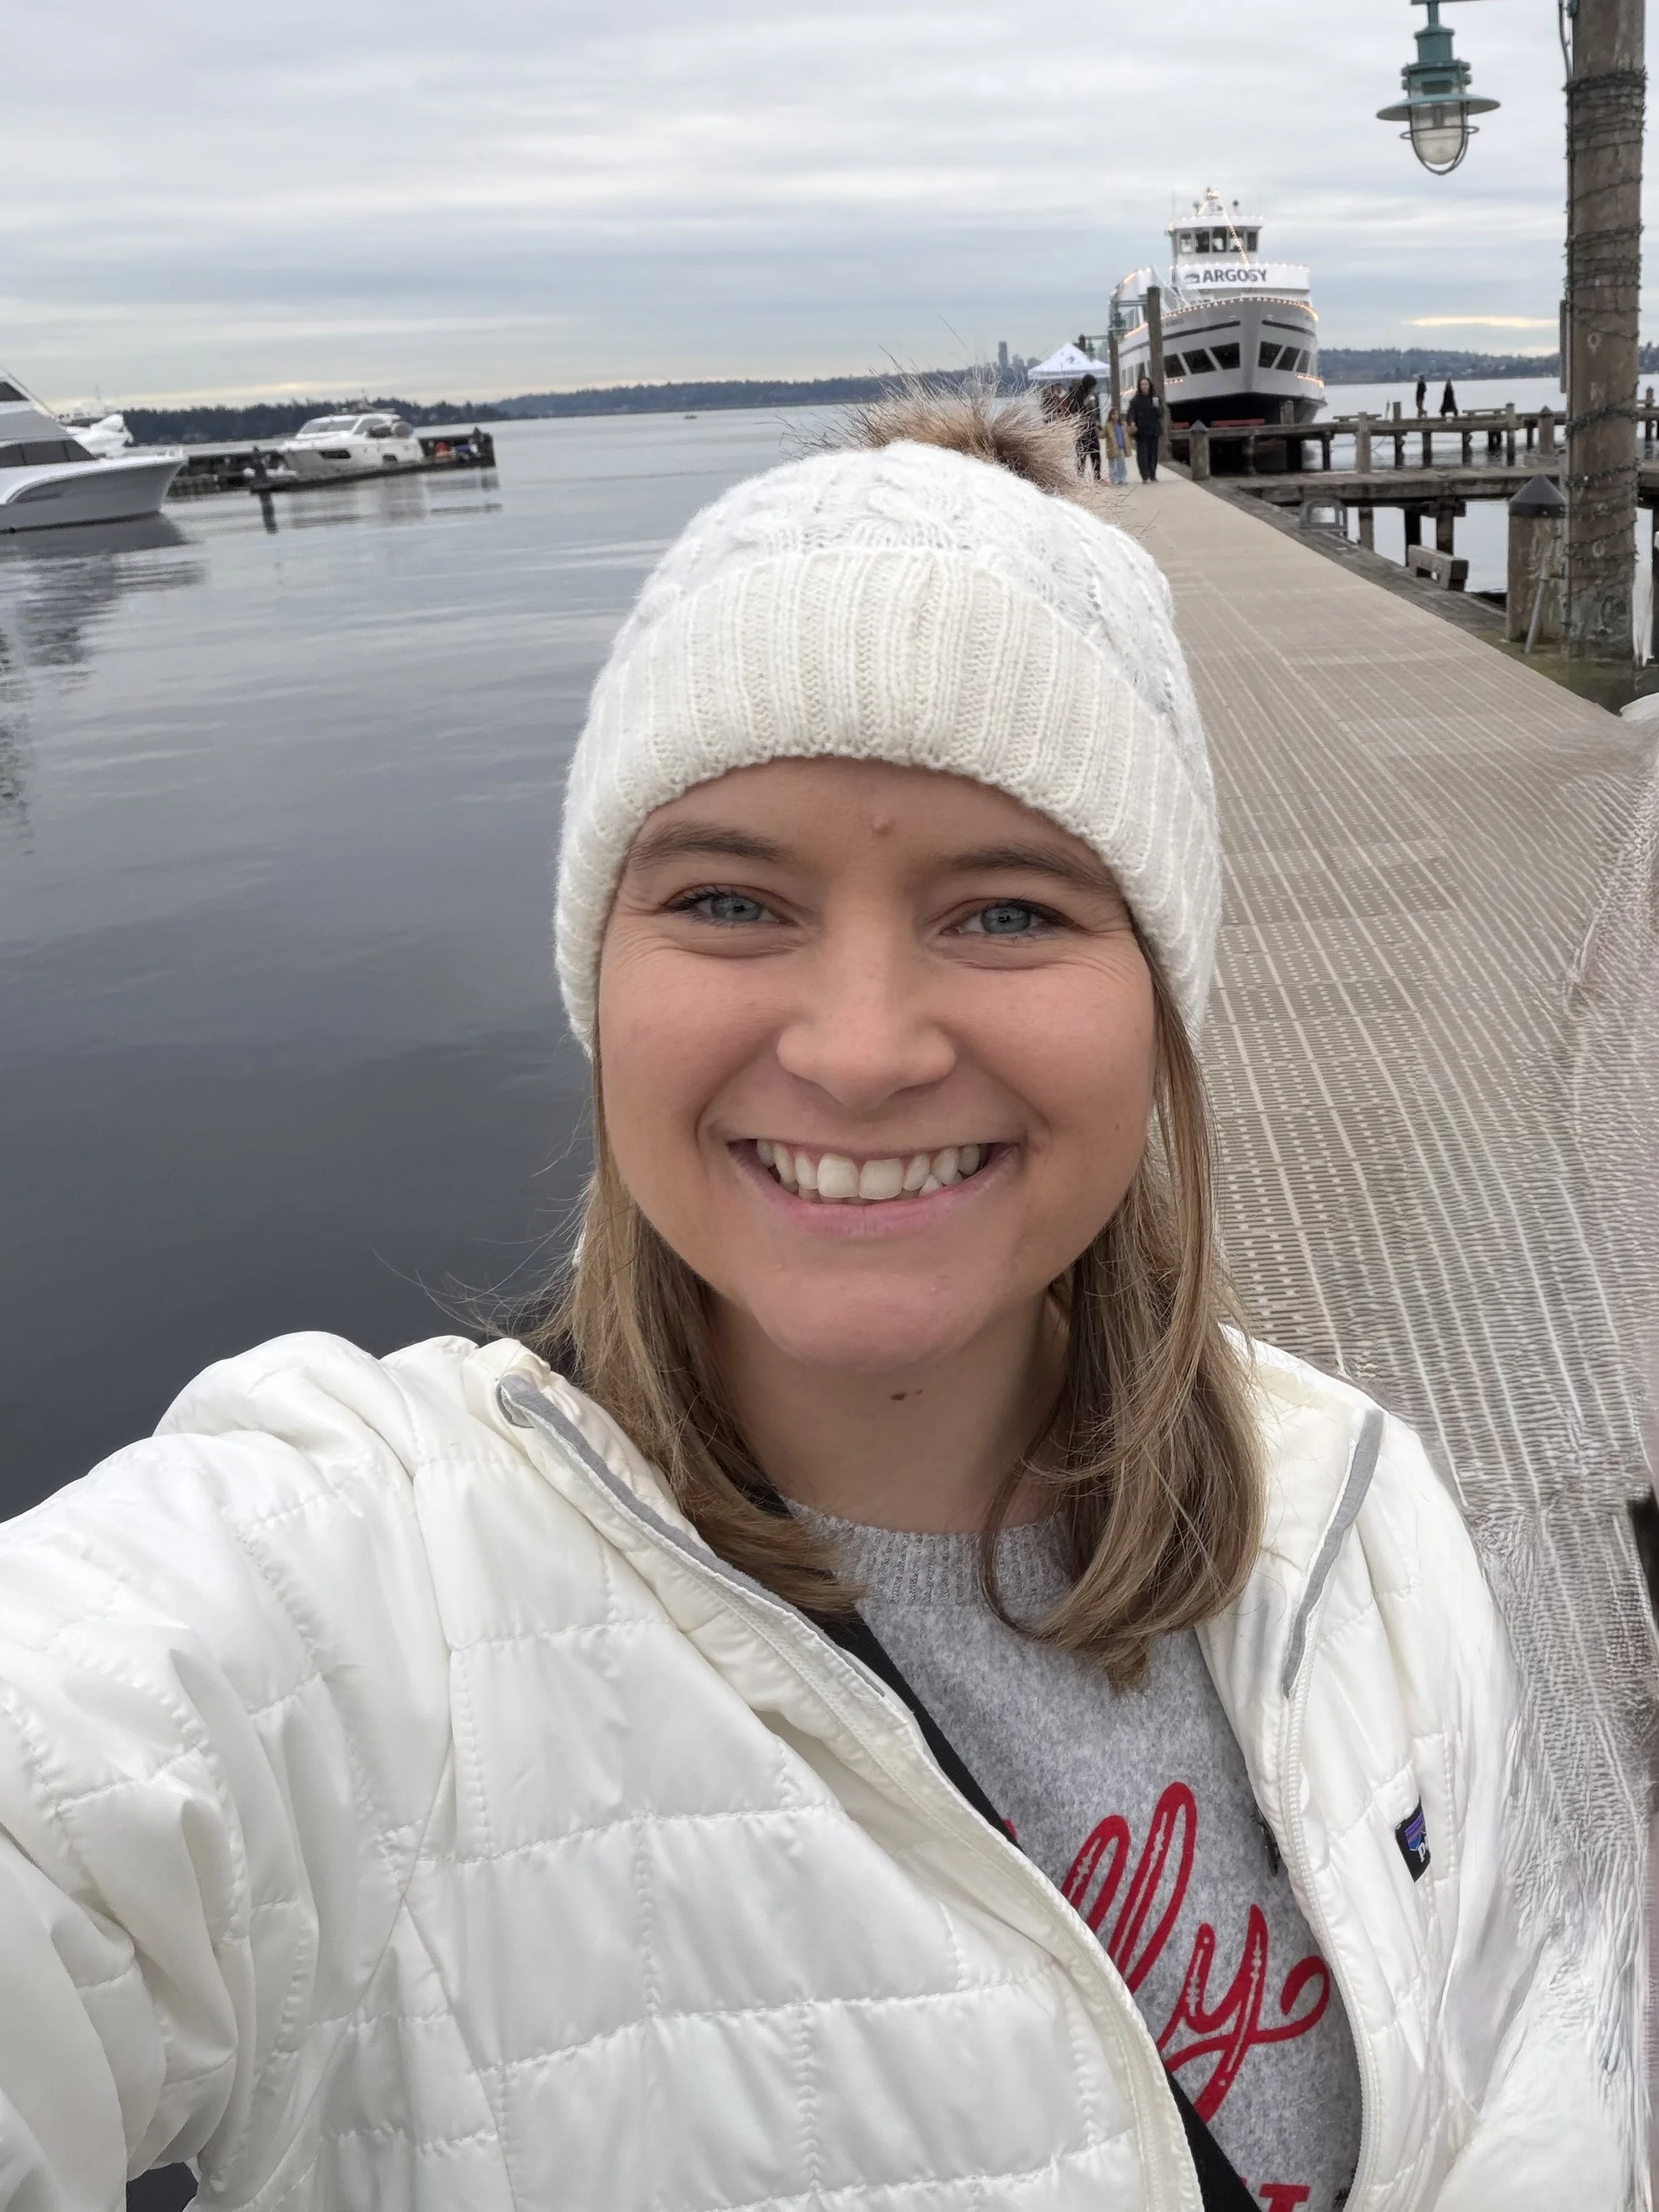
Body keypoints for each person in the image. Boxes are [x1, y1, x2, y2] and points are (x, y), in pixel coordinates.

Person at [0, 390, 1624, 2212]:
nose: (859, 1052)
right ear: (597, 970)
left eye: (1005, 910)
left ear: (1156, 997)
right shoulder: (344, 1593)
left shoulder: (1356, 1516)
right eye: (728, 898)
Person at [1127, 372, 1163, 481]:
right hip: (1141, 431)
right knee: (1143, 454)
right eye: (1142, 384)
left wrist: (1157, 407)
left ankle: (1153, 474)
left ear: (1150, 385)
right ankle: (1145, 475)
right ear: (1139, 386)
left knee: (1153, 454)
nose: (1144, 386)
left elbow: (1161, 414)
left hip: (1153, 430)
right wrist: (1132, 422)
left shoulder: (1155, 399)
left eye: (1146, 384)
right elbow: (1131, 414)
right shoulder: (1135, 400)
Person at [1070, 372, 1102, 480]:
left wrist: (1097, 423)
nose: (1093, 388)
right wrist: (1084, 404)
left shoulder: (1092, 394)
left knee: (1096, 452)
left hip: (1091, 428)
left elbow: (1096, 411)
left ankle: (1098, 477)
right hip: (1081, 429)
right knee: (1082, 455)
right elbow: (1074, 412)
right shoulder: (1077, 395)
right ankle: (1080, 478)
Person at [1105, 401, 1129, 485]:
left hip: (1121, 447)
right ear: (1110, 416)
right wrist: (1097, 430)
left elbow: (1127, 433)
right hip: (1112, 448)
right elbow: (1103, 434)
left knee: (1121, 464)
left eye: (1117, 414)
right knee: (1113, 465)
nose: (1115, 416)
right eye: (1113, 414)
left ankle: (1122, 478)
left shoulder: (1123, 425)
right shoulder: (1108, 425)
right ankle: (1114, 479)